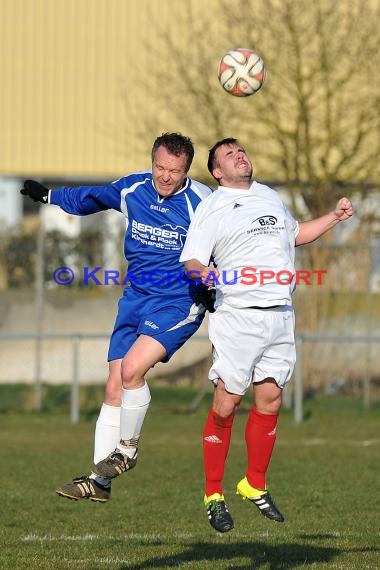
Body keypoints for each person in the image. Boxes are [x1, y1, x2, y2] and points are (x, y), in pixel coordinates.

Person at [20, 132, 212, 502]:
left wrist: (214, 280)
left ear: (187, 169)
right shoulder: (133, 188)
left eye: (174, 170)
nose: (165, 176)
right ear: (152, 161)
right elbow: (92, 197)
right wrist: (50, 196)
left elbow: (227, 238)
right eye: (160, 167)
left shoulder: (202, 202)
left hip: (177, 300)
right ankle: (99, 481)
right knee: (114, 385)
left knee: (131, 372)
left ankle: (127, 451)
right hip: (135, 297)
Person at [180, 137, 354, 533]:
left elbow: (295, 234)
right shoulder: (213, 207)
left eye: (241, 149)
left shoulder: (270, 197)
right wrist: (201, 272)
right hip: (238, 316)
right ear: (217, 172)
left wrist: (335, 217)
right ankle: (213, 493)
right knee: (227, 404)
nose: (240, 155)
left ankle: (253, 482)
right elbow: (191, 258)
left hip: (279, 314)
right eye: (229, 154)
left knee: (271, 399)